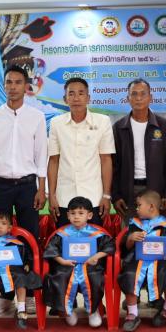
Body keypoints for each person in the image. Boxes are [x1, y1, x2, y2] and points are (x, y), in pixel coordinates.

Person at [0, 65, 48, 316]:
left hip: (28, 186)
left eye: (18, 82)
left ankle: (27, 294)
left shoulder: (37, 117)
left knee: (29, 239)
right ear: (4, 85)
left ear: (26, 86)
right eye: (9, 82)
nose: (13, 86)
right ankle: (6, 295)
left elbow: (41, 155)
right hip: (0, 186)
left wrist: (42, 189)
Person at [47, 77, 115, 227]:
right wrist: (51, 195)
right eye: (71, 94)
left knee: (93, 239)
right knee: (65, 239)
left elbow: (106, 160)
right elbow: (53, 161)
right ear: (65, 99)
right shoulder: (56, 123)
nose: (76, 98)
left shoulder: (102, 121)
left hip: (94, 197)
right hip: (64, 197)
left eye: (81, 93)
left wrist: (106, 195)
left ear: (88, 98)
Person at [117, 189, 166, 332]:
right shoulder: (135, 224)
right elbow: (126, 249)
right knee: (130, 273)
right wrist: (130, 238)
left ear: (151, 207)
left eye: (139, 205)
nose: (136, 209)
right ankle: (132, 314)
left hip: (162, 262)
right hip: (137, 260)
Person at [43, 196, 115, 328]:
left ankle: (93, 311)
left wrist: (97, 256)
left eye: (81, 213)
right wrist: (62, 261)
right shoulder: (62, 233)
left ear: (89, 215)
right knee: (60, 277)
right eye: (73, 213)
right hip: (67, 266)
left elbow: (110, 246)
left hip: (90, 266)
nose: (76, 217)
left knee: (94, 278)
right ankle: (68, 311)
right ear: (68, 215)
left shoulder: (96, 233)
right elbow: (51, 249)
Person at [111, 78, 166, 221]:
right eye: (134, 94)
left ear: (150, 97)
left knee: (156, 232)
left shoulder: (162, 125)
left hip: (156, 191)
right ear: (127, 98)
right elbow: (114, 165)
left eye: (143, 94)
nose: (138, 98)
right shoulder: (119, 127)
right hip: (128, 192)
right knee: (132, 232)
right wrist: (115, 196)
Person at [0, 211, 42, 330]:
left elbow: (26, 256)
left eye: (3, 223)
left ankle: (21, 311)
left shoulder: (16, 243)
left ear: (9, 228)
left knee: (21, 278)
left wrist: (27, 264)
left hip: (13, 271)